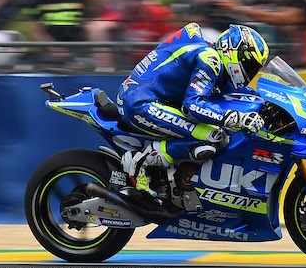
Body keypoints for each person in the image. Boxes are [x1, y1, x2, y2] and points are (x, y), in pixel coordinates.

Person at [115, 23, 269, 199]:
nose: (249, 73)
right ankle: (143, 160)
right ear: (232, 51)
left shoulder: (215, 60)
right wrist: (234, 117)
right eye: (249, 65)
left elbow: (237, 92)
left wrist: (266, 101)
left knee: (215, 131)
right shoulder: (209, 59)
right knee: (213, 136)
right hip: (140, 103)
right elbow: (193, 106)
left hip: (144, 98)